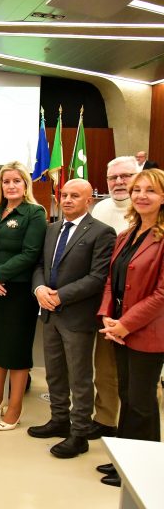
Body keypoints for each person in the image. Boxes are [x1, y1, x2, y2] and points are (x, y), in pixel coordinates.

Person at [28, 179, 116, 458]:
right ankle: (59, 419)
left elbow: (97, 277)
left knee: (79, 377)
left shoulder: (102, 232)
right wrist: (39, 289)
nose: (67, 200)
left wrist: (60, 296)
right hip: (49, 313)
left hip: (77, 316)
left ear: (89, 200)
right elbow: (39, 265)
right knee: (54, 372)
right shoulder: (52, 229)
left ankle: (79, 433)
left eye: (74, 196)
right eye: (64, 195)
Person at [96, 168, 164, 487]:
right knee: (126, 394)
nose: (141, 196)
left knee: (142, 402)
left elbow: (161, 295)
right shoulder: (127, 234)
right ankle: (124, 461)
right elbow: (112, 280)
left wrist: (125, 323)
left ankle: (145, 471)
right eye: (137, 190)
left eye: (150, 191)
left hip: (148, 332)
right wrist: (107, 316)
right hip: (120, 329)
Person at [0, 161, 47, 430]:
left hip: (17, 292)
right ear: (0, 185)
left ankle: (14, 406)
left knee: (15, 351)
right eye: (6, 181)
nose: (11, 185)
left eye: (17, 181)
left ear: (25, 184)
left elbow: (30, 253)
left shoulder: (34, 213)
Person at [88, 156, 139, 439]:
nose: (119, 182)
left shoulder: (151, 213)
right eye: (113, 177)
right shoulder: (101, 208)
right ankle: (106, 419)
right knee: (105, 366)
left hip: (141, 307)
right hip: (107, 302)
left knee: (139, 374)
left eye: (126, 176)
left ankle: (134, 430)